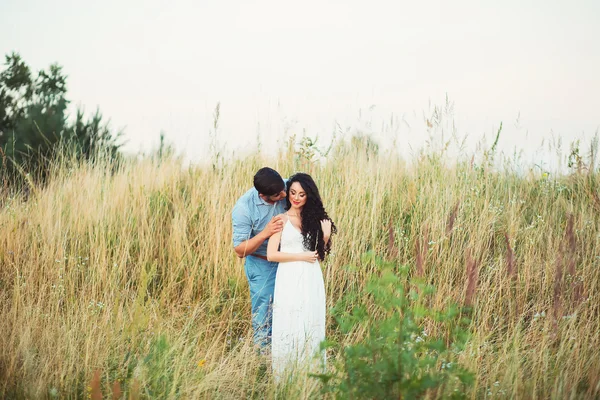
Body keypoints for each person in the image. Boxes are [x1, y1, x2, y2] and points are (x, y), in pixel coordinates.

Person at [267, 173, 337, 378]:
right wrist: (300, 256)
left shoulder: (313, 220)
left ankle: (312, 377)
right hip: (289, 277)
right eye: (293, 193)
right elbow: (272, 254)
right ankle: (287, 377)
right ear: (287, 193)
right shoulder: (280, 220)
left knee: (310, 320)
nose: (296, 198)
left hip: (311, 276)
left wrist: (324, 237)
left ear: (309, 196)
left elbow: (317, 255)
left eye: (302, 194)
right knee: (290, 321)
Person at [232, 167, 287, 348]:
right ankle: (262, 361)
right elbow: (240, 250)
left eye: (283, 189)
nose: (284, 194)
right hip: (262, 263)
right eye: (278, 195)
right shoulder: (244, 208)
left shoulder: (286, 187)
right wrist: (266, 233)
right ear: (263, 195)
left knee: (289, 309)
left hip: (290, 261)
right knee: (264, 313)